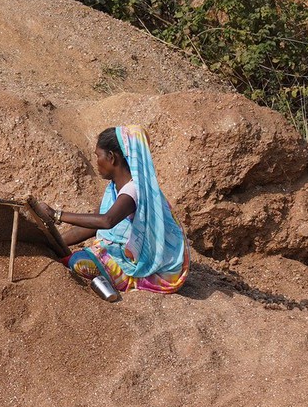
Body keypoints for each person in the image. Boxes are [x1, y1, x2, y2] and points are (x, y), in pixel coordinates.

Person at [27, 126, 188, 302]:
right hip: (133, 255)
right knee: (83, 255)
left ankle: (120, 280)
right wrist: (52, 243)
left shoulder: (133, 190)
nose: (96, 162)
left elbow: (106, 221)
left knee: (79, 261)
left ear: (111, 157)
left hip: (158, 271)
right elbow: (91, 226)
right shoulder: (114, 188)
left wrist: (56, 214)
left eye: (98, 156)